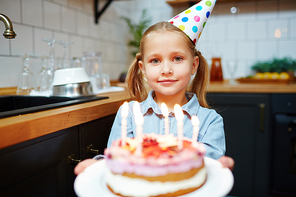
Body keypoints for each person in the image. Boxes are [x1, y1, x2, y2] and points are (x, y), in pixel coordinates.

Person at [75, 0, 235, 175]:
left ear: (194, 65)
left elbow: (206, 171)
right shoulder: (128, 114)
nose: (166, 70)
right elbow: (118, 160)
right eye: (155, 61)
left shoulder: (210, 121)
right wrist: (98, 166)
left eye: (177, 58)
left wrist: (216, 169)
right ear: (143, 68)